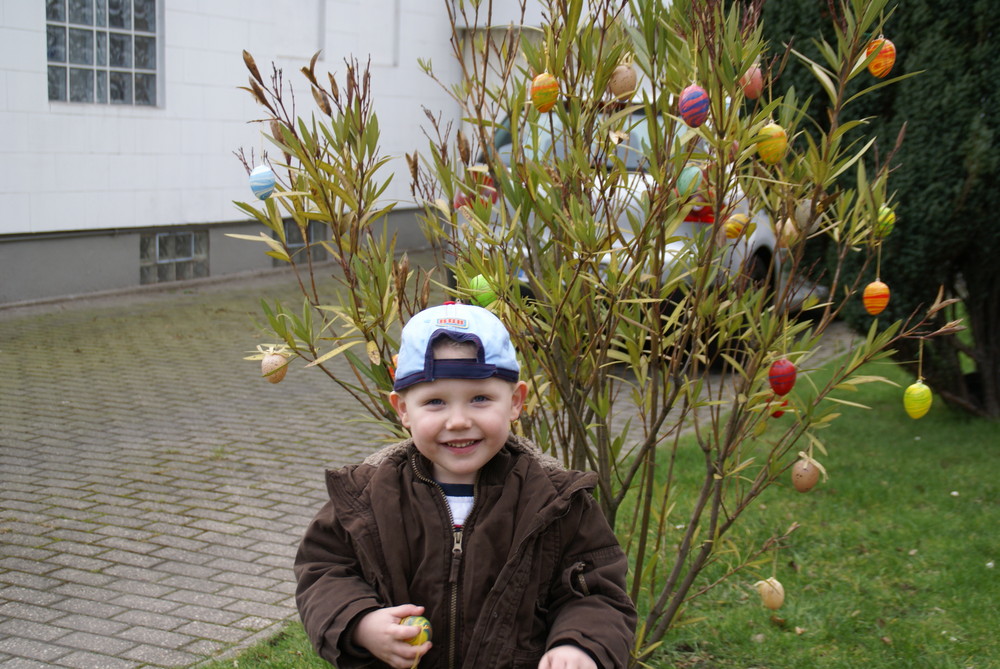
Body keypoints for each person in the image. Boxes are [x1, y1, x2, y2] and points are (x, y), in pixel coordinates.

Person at [294, 302, 636, 669]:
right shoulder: (367, 496)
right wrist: (360, 622)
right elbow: (324, 568)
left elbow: (597, 594)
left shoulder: (556, 501)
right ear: (403, 410)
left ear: (515, 402)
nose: (458, 421)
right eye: (435, 402)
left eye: (480, 399)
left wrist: (578, 645)